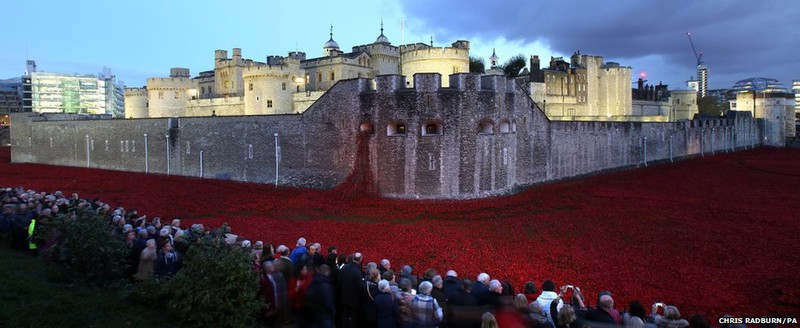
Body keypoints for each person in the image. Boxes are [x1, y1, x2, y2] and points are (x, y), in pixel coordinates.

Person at [339, 252, 364, 328]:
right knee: (352, 319)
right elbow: (360, 287)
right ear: (360, 259)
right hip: (354, 299)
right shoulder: (358, 272)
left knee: (345, 317)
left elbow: (339, 282)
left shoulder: (344, 268)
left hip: (344, 297)